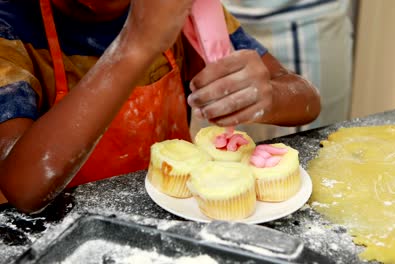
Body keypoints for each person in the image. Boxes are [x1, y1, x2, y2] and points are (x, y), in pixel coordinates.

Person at [0, 0, 320, 213]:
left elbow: (307, 101)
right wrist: (136, 44)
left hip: (168, 222)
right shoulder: (11, 27)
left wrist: (265, 95)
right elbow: (23, 187)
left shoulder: (177, 9)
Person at [191, 0, 353, 141]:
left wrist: (272, 96)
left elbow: (309, 103)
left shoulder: (207, 18)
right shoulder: (190, 21)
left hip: (299, 18)